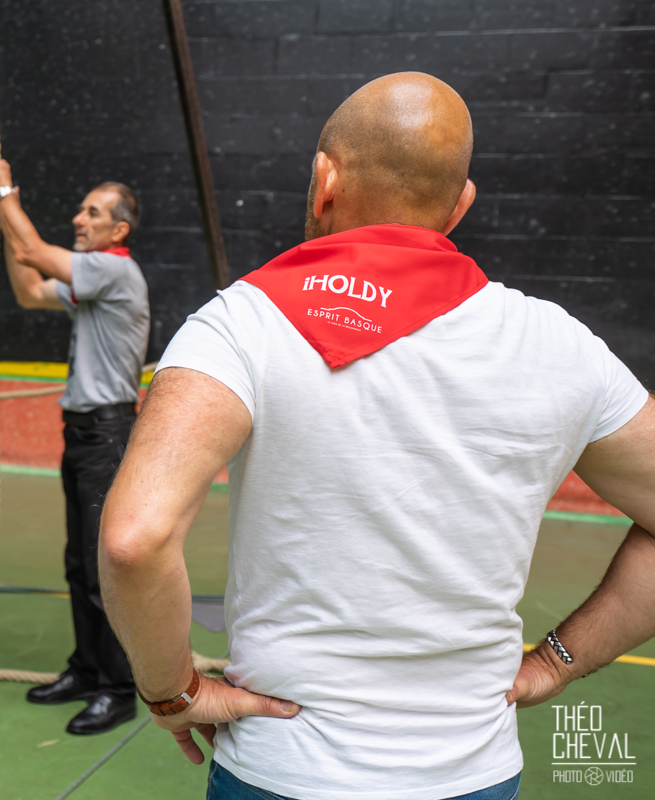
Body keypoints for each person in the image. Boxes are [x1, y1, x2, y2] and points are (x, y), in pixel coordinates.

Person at [98, 72, 655, 799]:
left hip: (284, 769)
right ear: (460, 205)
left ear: (324, 181)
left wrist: (172, 690)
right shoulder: (562, 346)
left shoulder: (241, 323)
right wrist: (556, 660)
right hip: (474, 772)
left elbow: (134, 540)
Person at [0, 151, 151, 735]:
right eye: (81, 210)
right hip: (82, 434)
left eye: (93, 213)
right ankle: (86, 670)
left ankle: (118, 690)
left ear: (118, 231)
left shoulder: (114, 270)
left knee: (103, 571)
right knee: (79, 564)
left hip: (107, 436)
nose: (80, 219)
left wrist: (5, 192)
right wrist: (5, 220)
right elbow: (30, 288)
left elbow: (34, 251)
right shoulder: (93, 279)